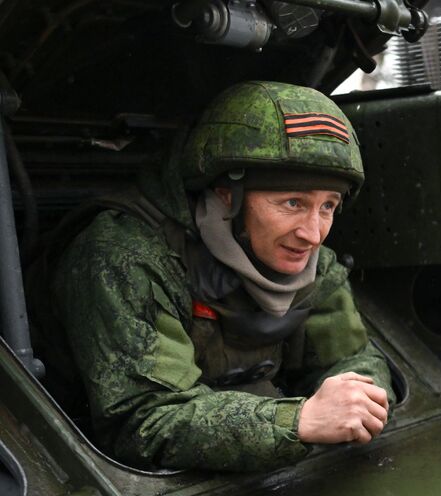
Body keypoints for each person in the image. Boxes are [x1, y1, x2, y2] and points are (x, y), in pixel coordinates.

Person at [47, 81, 392, 472]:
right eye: (292, 203)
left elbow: (356, 360)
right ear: (227, 193)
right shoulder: (124, 258)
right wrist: (296, 422)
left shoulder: (312, 261)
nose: (312, 234)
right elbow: (141, 421)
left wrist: (357, 400)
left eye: (327, 206)